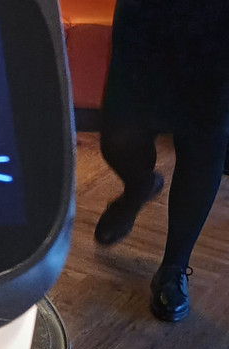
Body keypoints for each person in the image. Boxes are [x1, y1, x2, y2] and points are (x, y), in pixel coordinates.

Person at [94, 0, 229, 322]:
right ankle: (138, 188)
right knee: (118, 136)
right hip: (148, 14)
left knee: (204, 142)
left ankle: (174, 267)